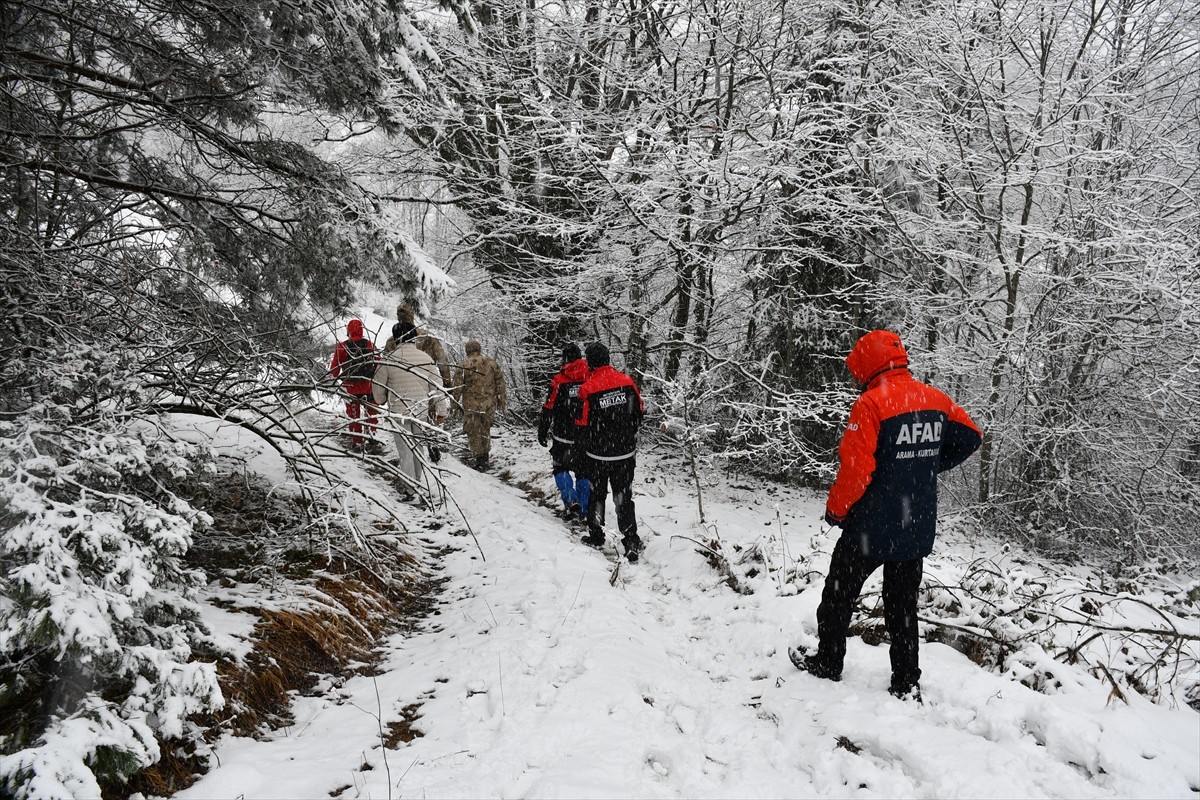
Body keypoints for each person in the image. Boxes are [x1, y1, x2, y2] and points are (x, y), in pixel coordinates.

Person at [790, 329, 982, 702]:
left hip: (871, 527)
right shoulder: (935, 399)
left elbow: (856, 471)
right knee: (903, 607)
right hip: (915, 526)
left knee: (838, 596)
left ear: (868, 364)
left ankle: (829, 662)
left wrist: (836, 510)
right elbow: (971, 437)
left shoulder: (871, 404)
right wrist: (925, 466)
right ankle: (906, 682)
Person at [575, 342, 645, 562]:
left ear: (590, 362)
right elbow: (639, 411)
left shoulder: (587, 388)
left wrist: (583, 451)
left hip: (598, 456)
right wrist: (626, 434)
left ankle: (597, 536)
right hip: (625, 454)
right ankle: (631, 540)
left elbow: (581, 424)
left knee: (597, 495)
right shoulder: (626, 381)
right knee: (623, 496)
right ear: (607, 358)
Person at [371, 321, 449, 497]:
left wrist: (381, 400)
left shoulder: (389, 359)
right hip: (420, 412)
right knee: (418, 448)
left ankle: (409, 488)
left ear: (396, 337)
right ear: (415, 336)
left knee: (405, 451)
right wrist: (441, 411)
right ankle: (416, 481)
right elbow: (437, 387)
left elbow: (377, 387)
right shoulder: (426, 359)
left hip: (399, 413)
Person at [386, 303, 451, 462]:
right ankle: (431, 445)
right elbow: (442, 361)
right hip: (427, 385)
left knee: (407, 423)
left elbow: (386, 366)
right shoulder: (428, 337)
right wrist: (447, 383)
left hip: (402, 390)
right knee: (428, 417)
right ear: (413, 315)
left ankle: (411, 454)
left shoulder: (392, 340)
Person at [538, 343, 591, 521]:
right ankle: (584, 509)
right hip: (585, 435)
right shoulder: (590, 376)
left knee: (560, 467)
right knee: (584, 472)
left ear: (565, 358)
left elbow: (549, 406)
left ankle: (570, 500)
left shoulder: (559, 380)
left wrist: (543, 429)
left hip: (562, 434)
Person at [452, 338, 507, 471]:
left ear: (467, 351)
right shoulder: (492, 364)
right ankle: (485, 458)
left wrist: (454, 404)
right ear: (479, 349)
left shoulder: (463, 365)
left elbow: (457, 387)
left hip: (471, 405)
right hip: (488, 404)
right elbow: (500, 383)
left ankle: (479, 458)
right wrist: (501, 400)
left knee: (473, 431)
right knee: (485, 429)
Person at [329, 319, 378, 450]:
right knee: (371, 411)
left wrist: (334, 380)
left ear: (348, 331)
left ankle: (357, 441)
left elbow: (334, 369)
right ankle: (372, 433)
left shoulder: (342, 346)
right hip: (368, 386)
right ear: (362, 330)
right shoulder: (369, 345)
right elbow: (379, 363)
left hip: (350, 388)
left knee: (354, 414)